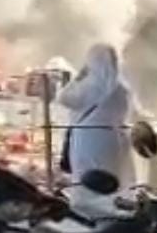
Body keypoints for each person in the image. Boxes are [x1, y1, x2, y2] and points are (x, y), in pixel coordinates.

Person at [58, 43, 140, 188]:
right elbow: (132, 113)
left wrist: (78, 77)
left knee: (88, 180)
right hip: (115, 139)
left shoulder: (89, 85)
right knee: (113, 179)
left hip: (89, 140)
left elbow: (63, 98)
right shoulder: (122, 88)